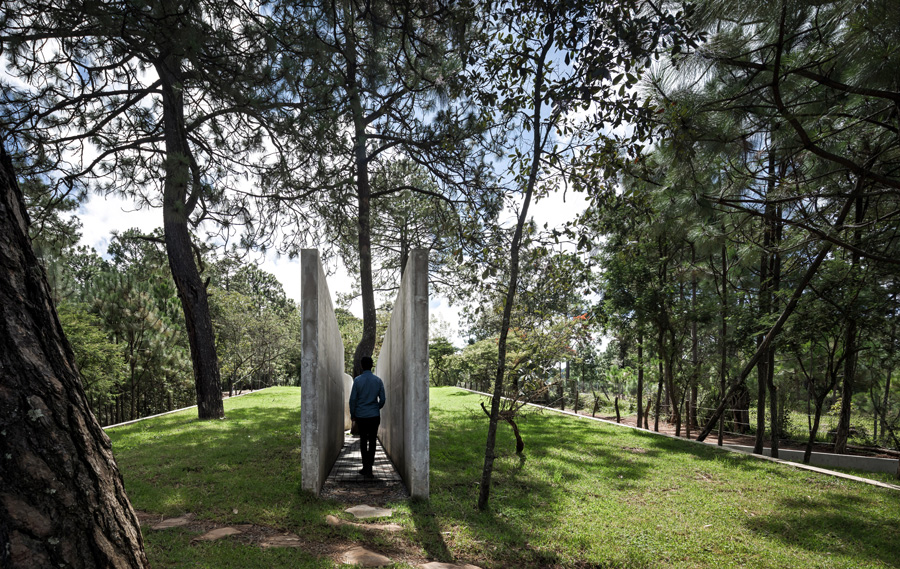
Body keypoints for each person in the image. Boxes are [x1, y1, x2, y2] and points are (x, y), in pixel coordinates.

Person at [349, 356, 386, 477]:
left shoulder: (357, 380)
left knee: (363, 441)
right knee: (373, 441)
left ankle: (365, 467)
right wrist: (376, 407)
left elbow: (353, 399)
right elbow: (383, 399)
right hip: (374, 416)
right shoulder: (378, 380)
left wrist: (353, 414)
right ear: (372, 365)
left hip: (361, 416)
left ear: (362, 366)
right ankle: (370, 467)